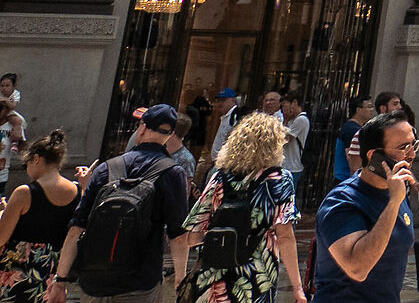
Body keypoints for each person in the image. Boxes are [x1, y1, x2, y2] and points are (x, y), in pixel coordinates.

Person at [46, 105, 191, 303]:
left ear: (142, 128)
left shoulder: (106, 168)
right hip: (140, 282)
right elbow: (179, 236)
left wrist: (60, 281)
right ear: (170, 135)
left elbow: (76, 229)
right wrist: (180, 279)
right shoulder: (173, 174)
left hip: (94, 282)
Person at [177, 110, 304, 303]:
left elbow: (191, 238)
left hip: (214, 280)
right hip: (256, 281)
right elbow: (285, 236)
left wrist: (224, 236)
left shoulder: (219, 176)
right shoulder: (280, 179)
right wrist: (297, 287)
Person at [307, 112, 417, 303]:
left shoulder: (397, 193)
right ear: (374, 156)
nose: (412, 154)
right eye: (403, 148)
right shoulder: (342, 202)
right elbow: (357, 269)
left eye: (414, 145)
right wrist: (392, 204)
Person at [2, 133, 79, 303]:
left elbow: (1, 237)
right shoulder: (77, 192)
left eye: (26, 164)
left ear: (35, 159)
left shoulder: (24, 193)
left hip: (18, 271)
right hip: (52, 272)